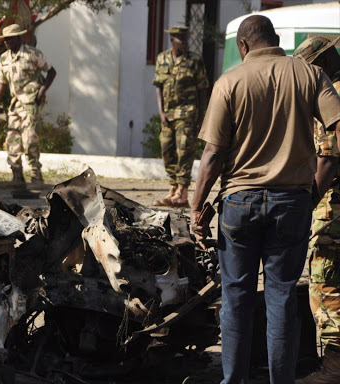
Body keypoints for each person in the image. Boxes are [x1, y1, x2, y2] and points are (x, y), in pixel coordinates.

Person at [190, 15, 340, 384]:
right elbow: (337, 132)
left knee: (237, 297)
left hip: (239, 203)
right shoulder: (309, 75)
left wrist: (196, 207)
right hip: (292, 203)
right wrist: (312, 193)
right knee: (281, 297)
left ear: (243, 46)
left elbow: (212, 154)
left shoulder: (229, 81)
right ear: (276, 40)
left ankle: (233, 380)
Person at [293, 36, 340, 384]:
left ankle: (334, 369)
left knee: (325, 285)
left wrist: (308, 204)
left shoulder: (331, 94)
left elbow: (327, 159)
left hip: (333, 211)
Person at [0, 23, 56, 185]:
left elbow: (51, 71)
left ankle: (36, 174)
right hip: (15, 104)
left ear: (18, 38)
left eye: (10, 39)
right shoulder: (4, 58)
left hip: (31, 102)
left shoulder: (32, 54)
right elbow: (2, 83)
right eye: (5, 39)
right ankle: (17, 175)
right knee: (12, 139)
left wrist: (42, 91)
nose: (7, 42)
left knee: (29, 139)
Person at [152, 25, 208, 207]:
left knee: (185, 151)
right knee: (167, 150)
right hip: (167, 114)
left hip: (187, 113)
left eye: (185, 38)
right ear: (172, 40)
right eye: (180, 39)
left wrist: (202, 118)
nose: (184, 42)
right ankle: (173, 187)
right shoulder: (162, 59)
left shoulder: (194, 61)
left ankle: (182, 193)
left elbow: (202, 90)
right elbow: (158, 87)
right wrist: (161, 112)